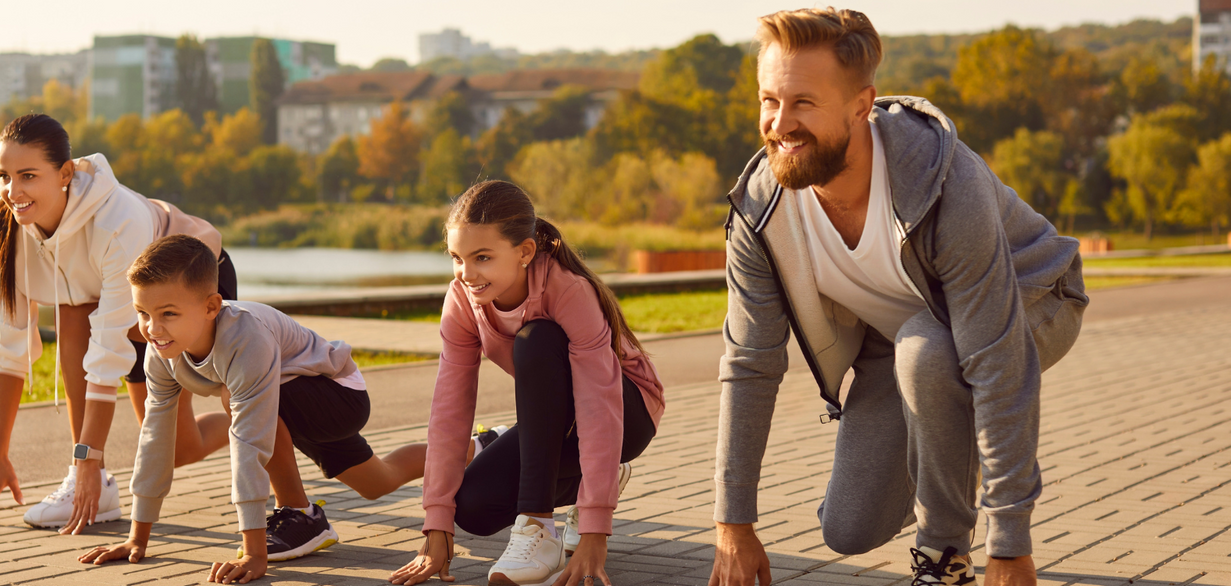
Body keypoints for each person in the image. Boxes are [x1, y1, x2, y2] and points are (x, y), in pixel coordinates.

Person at [707, 8, 1086, 586]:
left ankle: (943, 557)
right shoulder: (761, 210)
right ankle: (950, 445)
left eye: (803, 102)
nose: (780, 124)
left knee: (927, 353)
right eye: (769, 100)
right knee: (848, 529)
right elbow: (750, 364)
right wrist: (733, 524)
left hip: (1035, 298)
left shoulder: (944, 182)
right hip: (903, 339)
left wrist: (1010, 546)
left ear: (861, 105)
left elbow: (997, 365)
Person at [77, 235, 499, 583]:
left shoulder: (245, 339)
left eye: (168, 313)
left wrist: (254, 553)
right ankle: (480, 447)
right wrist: (137, 539)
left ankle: (300, 516)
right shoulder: (161, 352)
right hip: (295, 402)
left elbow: (249, 443)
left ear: (211, 306)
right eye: (143, 313)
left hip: (339, 395)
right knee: (378, 481)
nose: (152, 328)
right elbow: (155, 438)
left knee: (238, 402)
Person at [0, 114, 238, 534]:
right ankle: (90, 480)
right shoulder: (2, 238)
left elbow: (108, 348)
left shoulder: (118, 221)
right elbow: (9, 347)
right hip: (113, 306)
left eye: (28, 176)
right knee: (74, 313)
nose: (12, 191)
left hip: (189, 286)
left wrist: (89, 455)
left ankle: (270, 415)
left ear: (64, 174)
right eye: (3, 176)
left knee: (180, 445)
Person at [388, 181, 665, 586]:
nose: (467, 274)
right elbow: (450, 409)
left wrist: (595, 529)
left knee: (536, 340)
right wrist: (436, 524)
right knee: (473, 507)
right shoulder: (462, 300)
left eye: (482, 257)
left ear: (525, 252)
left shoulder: (566, 289)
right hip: (557, 419)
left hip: (626, 411)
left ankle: (538, 529)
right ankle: (593, 481)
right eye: (457, 258)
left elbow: (598, 406)